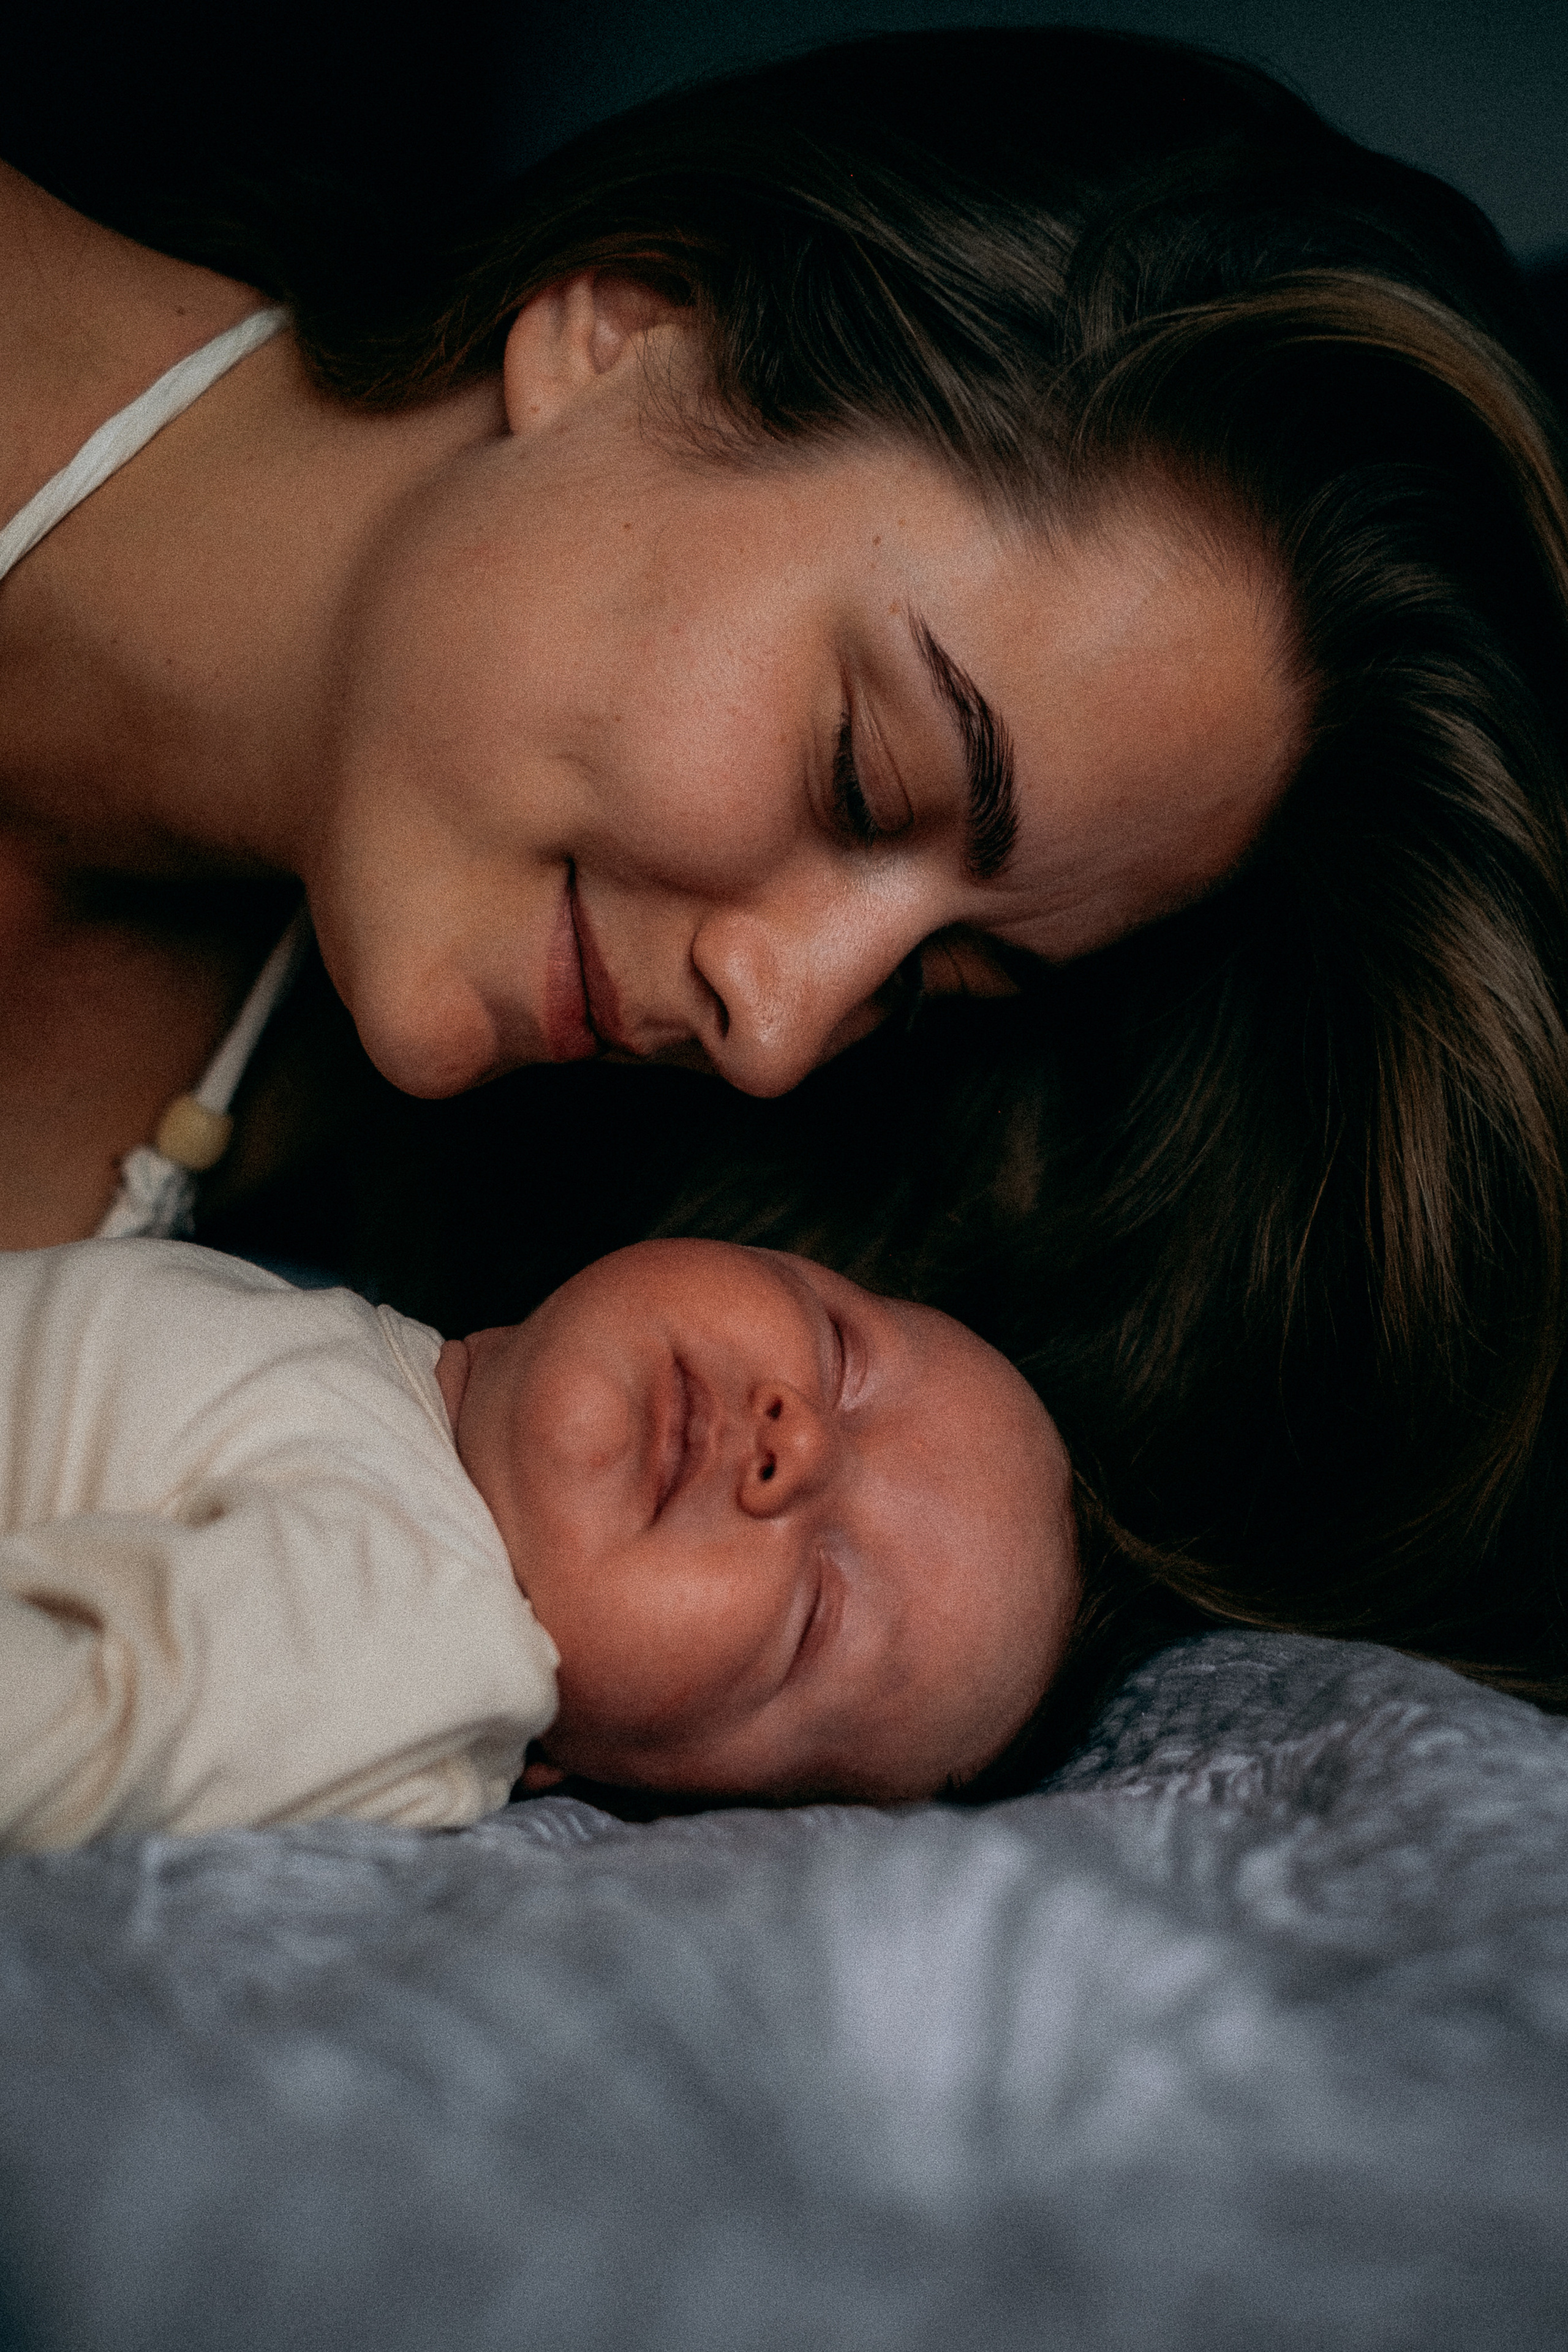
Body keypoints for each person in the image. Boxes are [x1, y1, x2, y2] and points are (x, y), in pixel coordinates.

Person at [3, 28, 1567, 1698]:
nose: (778, 1029)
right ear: (629, 331)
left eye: (934, 976)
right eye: (862, 775)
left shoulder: (385, 1225)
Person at [0, 1235, 1082, 1850]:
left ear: (660, 1795)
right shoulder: (383, 1367)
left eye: (816, 1615)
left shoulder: (413, 1632)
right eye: (843, 1358)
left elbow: (55, 1743)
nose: (796, 1444)